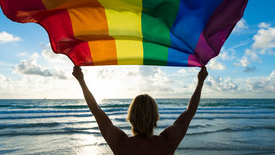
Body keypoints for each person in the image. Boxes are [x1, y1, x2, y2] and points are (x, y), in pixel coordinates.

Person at [72, 65, 208, 155]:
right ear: (156, 117)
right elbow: (190, 112)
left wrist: (81, 81)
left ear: (131, 117)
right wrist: (200, 81)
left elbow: (96, 110)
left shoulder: (120, 143)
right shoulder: (167, 141)